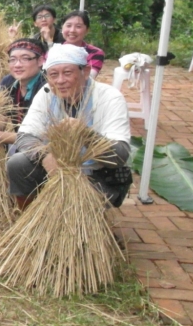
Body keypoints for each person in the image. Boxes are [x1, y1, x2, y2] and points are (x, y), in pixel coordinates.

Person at [8, 43, 131, 209]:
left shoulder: (109, 97)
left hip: (97, 174)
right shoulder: (46, 93)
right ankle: (27, 215)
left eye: (67, 73)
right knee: (18, 163)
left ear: (85, 71)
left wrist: (87, 135)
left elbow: (120, 155)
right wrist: (45, 157)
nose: (60, 81)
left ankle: (90, 219)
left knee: (82, 217)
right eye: (53, 74)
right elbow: (25, 136)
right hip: (53, 168)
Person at [0, 38, 47, 150]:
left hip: (44, 149)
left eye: (25, 59)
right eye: (13, 59)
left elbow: (41, 135)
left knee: (15, 162)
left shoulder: (47, 87)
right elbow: (1, 120)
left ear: (40, 61)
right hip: (21, 144)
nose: (17, 65)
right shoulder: (8, 82)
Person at [60, 10, 105, 77]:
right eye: (68, 26)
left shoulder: (95, 53)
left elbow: (88, 78)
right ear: (62, 28)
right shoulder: (54, 51)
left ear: (87, 30)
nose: (72, 30)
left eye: (78, 26)